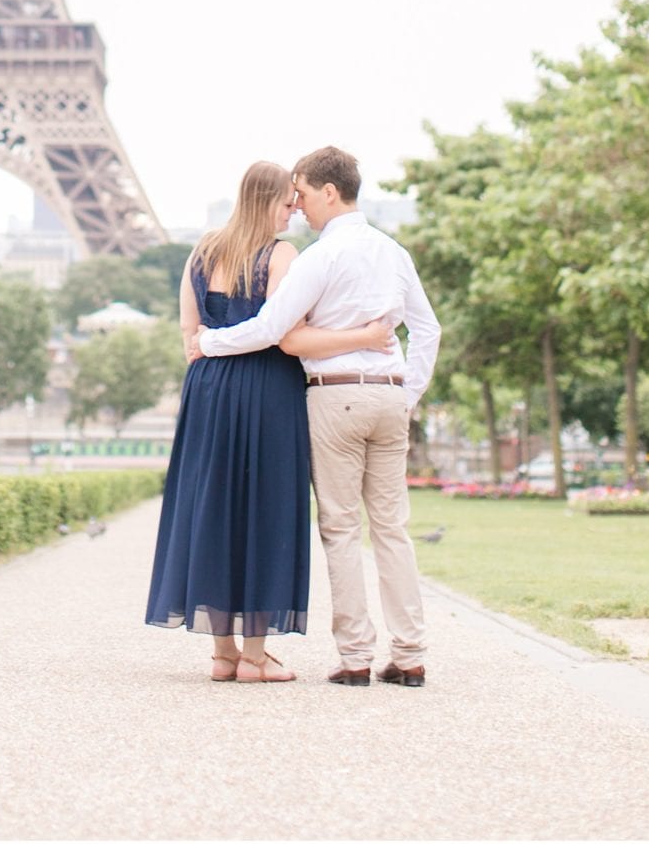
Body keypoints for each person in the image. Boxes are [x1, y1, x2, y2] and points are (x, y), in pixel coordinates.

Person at [195, 145, 441, 689]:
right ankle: (410, 654)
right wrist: (408, 396)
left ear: (330, 192)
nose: (299, 206)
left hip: (335, 397)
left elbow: (271, 329)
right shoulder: (394, 252)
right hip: (389, 397)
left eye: (303, 194)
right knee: (393, 529)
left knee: (341, 528)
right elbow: (428, 331)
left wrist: (210, 342)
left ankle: (356, 658)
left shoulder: (318, 258)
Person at [145, 160, 397, 682]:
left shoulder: (202, 250)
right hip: (267, 390)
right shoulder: (282, 255)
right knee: (264, 511)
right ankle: (257, 657)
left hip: (209, 389)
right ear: (267, 202)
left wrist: (211, 358)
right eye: (288, 201)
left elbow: (188, 332)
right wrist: (366, 338)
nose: (295, 209)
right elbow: (284, 330)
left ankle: (222, 653)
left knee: (212, 508)